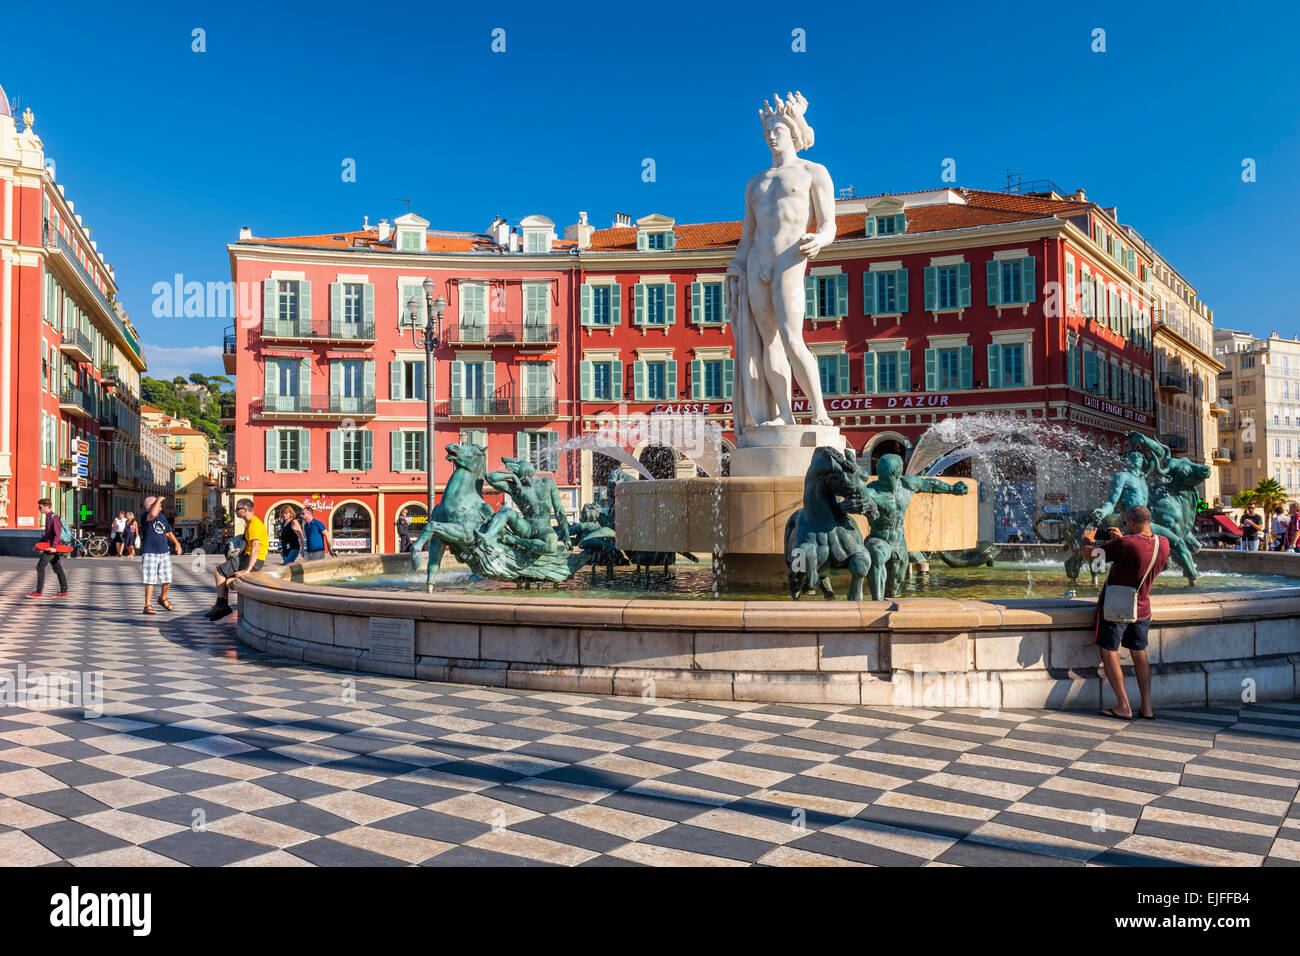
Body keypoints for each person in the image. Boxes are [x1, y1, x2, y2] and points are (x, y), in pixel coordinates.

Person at [1081, 505, 1170, 721]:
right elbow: (1139, 554)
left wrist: (1086, 539)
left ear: (1131, 522)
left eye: (1126, 522)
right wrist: (1122, 539)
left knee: (1109, 651)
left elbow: (1090, 555)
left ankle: (1123, 706)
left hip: (1116, 608)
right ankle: (1147, 708)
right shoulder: (1163, 543)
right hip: (1142, 607)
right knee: (1139, 654)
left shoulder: (1125, 544)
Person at [206, 499, 266, 621]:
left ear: (245, 510)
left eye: (238, 509)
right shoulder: (250, 523)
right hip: (247, 557)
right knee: (225, 575)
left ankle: (222, 605)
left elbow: (255, 549)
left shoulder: (254, 524)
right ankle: (221, 605)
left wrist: (247, 570)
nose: (236, 511)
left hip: (251, 559)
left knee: (218, 571)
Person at [139, 495, 182, 614]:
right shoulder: (145, 517)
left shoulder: (162, 517)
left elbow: (168, 532)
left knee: (168, 579)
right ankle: (147, 605)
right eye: (157, 505)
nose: (160, 507)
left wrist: (177, 544)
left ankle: (162, 598)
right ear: (149, 507)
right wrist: (158, 499)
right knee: (150, 580)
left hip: (164, 552)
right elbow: (152, 514)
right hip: (150, 552)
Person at [27, 498, 70, 598]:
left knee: (40, 566)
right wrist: (38, 545)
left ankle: (38, 592)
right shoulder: (48, 517)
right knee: (58, 568)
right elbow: (47, 535)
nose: (39, 509)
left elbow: (57, 534)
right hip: (49, 546)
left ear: (46, 506)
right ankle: (64, 590)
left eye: (40, 507)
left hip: (52, 547)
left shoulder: (54, 518)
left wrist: (54, 547)